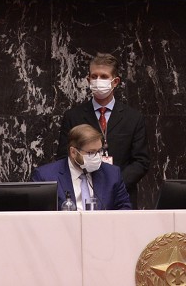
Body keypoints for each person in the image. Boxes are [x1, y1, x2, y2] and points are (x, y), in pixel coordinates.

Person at [55, 52, 150, 204]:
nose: (98, 80)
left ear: (115, 81)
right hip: (82, 193)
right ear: (88, 80)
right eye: (94, 76)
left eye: (104, 77)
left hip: (121, 195)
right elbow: (63, 158)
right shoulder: (73, 116)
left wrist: (114, 184)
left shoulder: (133, 118)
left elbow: (141, 161)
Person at [31, 123, 132, 210]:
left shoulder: (112, 174)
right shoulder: (45, 176)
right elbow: (36, 216)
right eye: (91, 152)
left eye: (99, 151)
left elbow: (125, 209)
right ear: (73, 152)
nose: (97, 157)